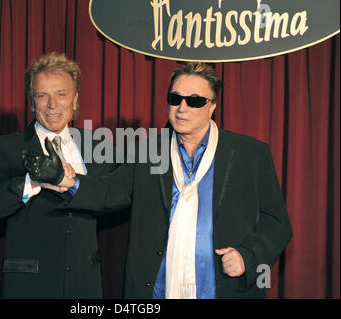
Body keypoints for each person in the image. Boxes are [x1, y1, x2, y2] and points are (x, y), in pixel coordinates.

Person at [38, 62, 293, 298]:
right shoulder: (148, 153)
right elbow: (108, 192)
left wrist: (248, 258)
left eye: (194, 101)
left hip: (224, 289)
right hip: (156, 292)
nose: (182, 108)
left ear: (213, 106)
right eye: (175, 98)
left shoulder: (250, 154)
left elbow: (277, 223)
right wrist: (69, 181)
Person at [0, 52, 121, 298]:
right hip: (29, 287)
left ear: (75, 100)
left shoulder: (98, 145)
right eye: (42, 95)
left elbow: (120, 194)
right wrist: (31, 183)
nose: (52, 105)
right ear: (31, 102)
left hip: (85, 286)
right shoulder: (8, 148)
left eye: (61, 94)